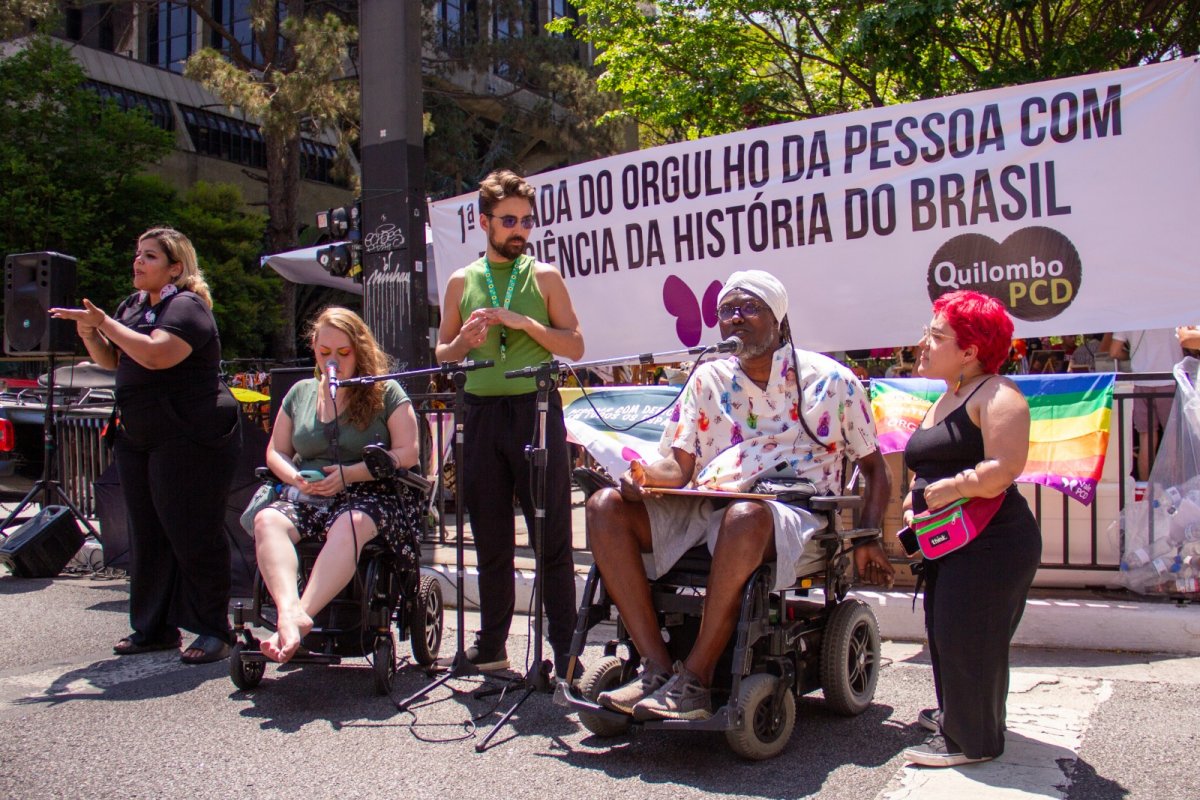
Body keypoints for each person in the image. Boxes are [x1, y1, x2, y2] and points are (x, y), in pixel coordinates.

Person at [586, 269, 895, 722]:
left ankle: (695, 678)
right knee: (605, 507)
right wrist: (642, 476)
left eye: (750, 308)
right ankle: (655, 668)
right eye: (727, 311)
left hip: (792, 511)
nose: (736, 318)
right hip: (710, 501)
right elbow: (680, 467)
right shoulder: (707, 378)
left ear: (780, 320)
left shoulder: (831, 381)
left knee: (745, 517)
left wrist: (867, 538)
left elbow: (875, 469)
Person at [50, 227, 242, 664]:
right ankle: (153, 628)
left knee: (191, 530)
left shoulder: (187, 307)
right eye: (137, 255)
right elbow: (115, 360)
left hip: (189, 436)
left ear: (176, 267)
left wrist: (105, 324)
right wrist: (90, 333)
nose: (138, 262)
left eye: (150, 257)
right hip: (139, 434)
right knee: (149, 533)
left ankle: (215, 628)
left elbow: (157, 355)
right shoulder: (133, 306)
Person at [435, 169, 585, 681]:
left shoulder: (544, 276)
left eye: (526, 220)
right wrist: (463, 343)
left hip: (534, 410)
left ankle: (565, 649)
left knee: (552, 538)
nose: (520, 229)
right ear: (484, 222)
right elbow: (442, 352)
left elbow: (576, 345)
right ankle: (493, 645)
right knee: (490, 537)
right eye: (509, 220)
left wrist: (527, 325)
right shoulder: (462, 280)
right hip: (480, 415)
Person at [900, 290, 1041, 768]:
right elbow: (932, 462)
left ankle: (972, 741)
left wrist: (951, 489)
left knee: (969, 634)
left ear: (971, 350)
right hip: (952, 540)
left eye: (936, 336)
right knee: (946, 630)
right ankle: (955, 715)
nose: (923, 342)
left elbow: (1005, 467)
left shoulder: (1001, 395)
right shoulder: (950, 394)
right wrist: (914, 498)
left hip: (993, 543)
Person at [252, 307, 424, 663]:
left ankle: (299, 619)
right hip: (310, 491)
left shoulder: (384, 391)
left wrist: (352, 474)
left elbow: (407, 452)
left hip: (370, 491)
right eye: (324, 352)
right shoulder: (300, 393)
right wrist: (293, 477)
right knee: (267, 520)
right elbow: (276, 452)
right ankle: (289, 611)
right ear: (314, 348)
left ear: (359, 351)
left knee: (351, 523)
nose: (333, 361)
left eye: (343, 354)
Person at [1109, 328, 1184, 481]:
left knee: (1146, 439)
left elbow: (1114, 352)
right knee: (1172, 440)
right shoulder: (1176, 309)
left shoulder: (1128, 315)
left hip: (1140, 381)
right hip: (1169, 379)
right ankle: (1174, 489)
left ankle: (1145, 490)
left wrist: (1130, 356)